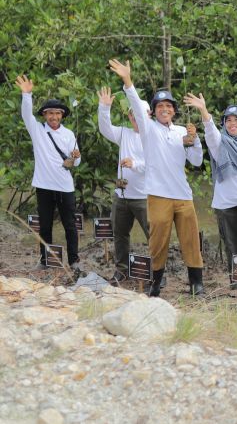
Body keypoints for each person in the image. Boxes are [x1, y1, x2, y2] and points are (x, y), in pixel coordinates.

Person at [108, 59, 206, 297]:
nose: (165, 109)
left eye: (169, 106)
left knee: (190, 239)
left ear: (174, 110)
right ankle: (156, 283)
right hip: (158, 195)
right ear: (153, 110)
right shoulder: (148, 129)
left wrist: (194, 141)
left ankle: (196, 283)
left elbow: (196, 161)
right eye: (160, 106)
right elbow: (135, 103)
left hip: (183, 195)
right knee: (158, 242)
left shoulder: (183, 130)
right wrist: (127, 80)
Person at [183, 92, 237, 294]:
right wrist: (204, 111)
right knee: (232, 245)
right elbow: (210, 131)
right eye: (228, 121)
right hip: (225, 203)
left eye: (236, 120)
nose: (232, 124)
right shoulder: (219, 142)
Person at [15, 75, 82, 271]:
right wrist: (26, 95)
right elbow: (27, 115)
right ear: (44, 115)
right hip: (44, 186)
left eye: (57, 113)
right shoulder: (37, 130)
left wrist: (76, 157)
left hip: (65, 186)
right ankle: (46, 261)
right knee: (45, 226)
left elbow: (76, 163)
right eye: (50, 113)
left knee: (70, 226)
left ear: (62, 115)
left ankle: (74, 261)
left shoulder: (69, 134)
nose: (54, 117)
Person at [97, 87, 151, 285]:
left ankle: (156, 272)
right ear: (129, 116)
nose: (135, 118)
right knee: (119, 234)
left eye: (140, 114)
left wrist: (134, 164)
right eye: (132, 114)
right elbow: (105, 128)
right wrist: (104, 107)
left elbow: (154, 164)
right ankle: (122, 270)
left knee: (153, 236)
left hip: (145, 196)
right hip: (122, 195)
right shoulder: (124, 133)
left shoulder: (152, 134)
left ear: (148, 115)